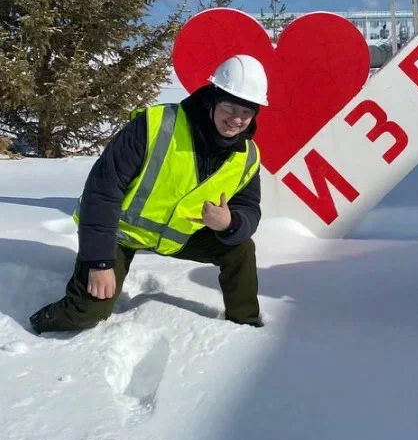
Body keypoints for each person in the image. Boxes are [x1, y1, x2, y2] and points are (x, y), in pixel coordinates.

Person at [30, 55, 268, 335]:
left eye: (246, 112)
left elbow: (249, 207)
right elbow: (102, 190)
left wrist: (230, 223)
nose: (236, 119)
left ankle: (246, 327)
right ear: (212, 100)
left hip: (176, 237)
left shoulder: (248, 156)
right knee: (88, 311)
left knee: (240, 247)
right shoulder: (156, 125)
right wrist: (99, 262)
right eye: (229, 106)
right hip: (119, 232)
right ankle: (37, 322)